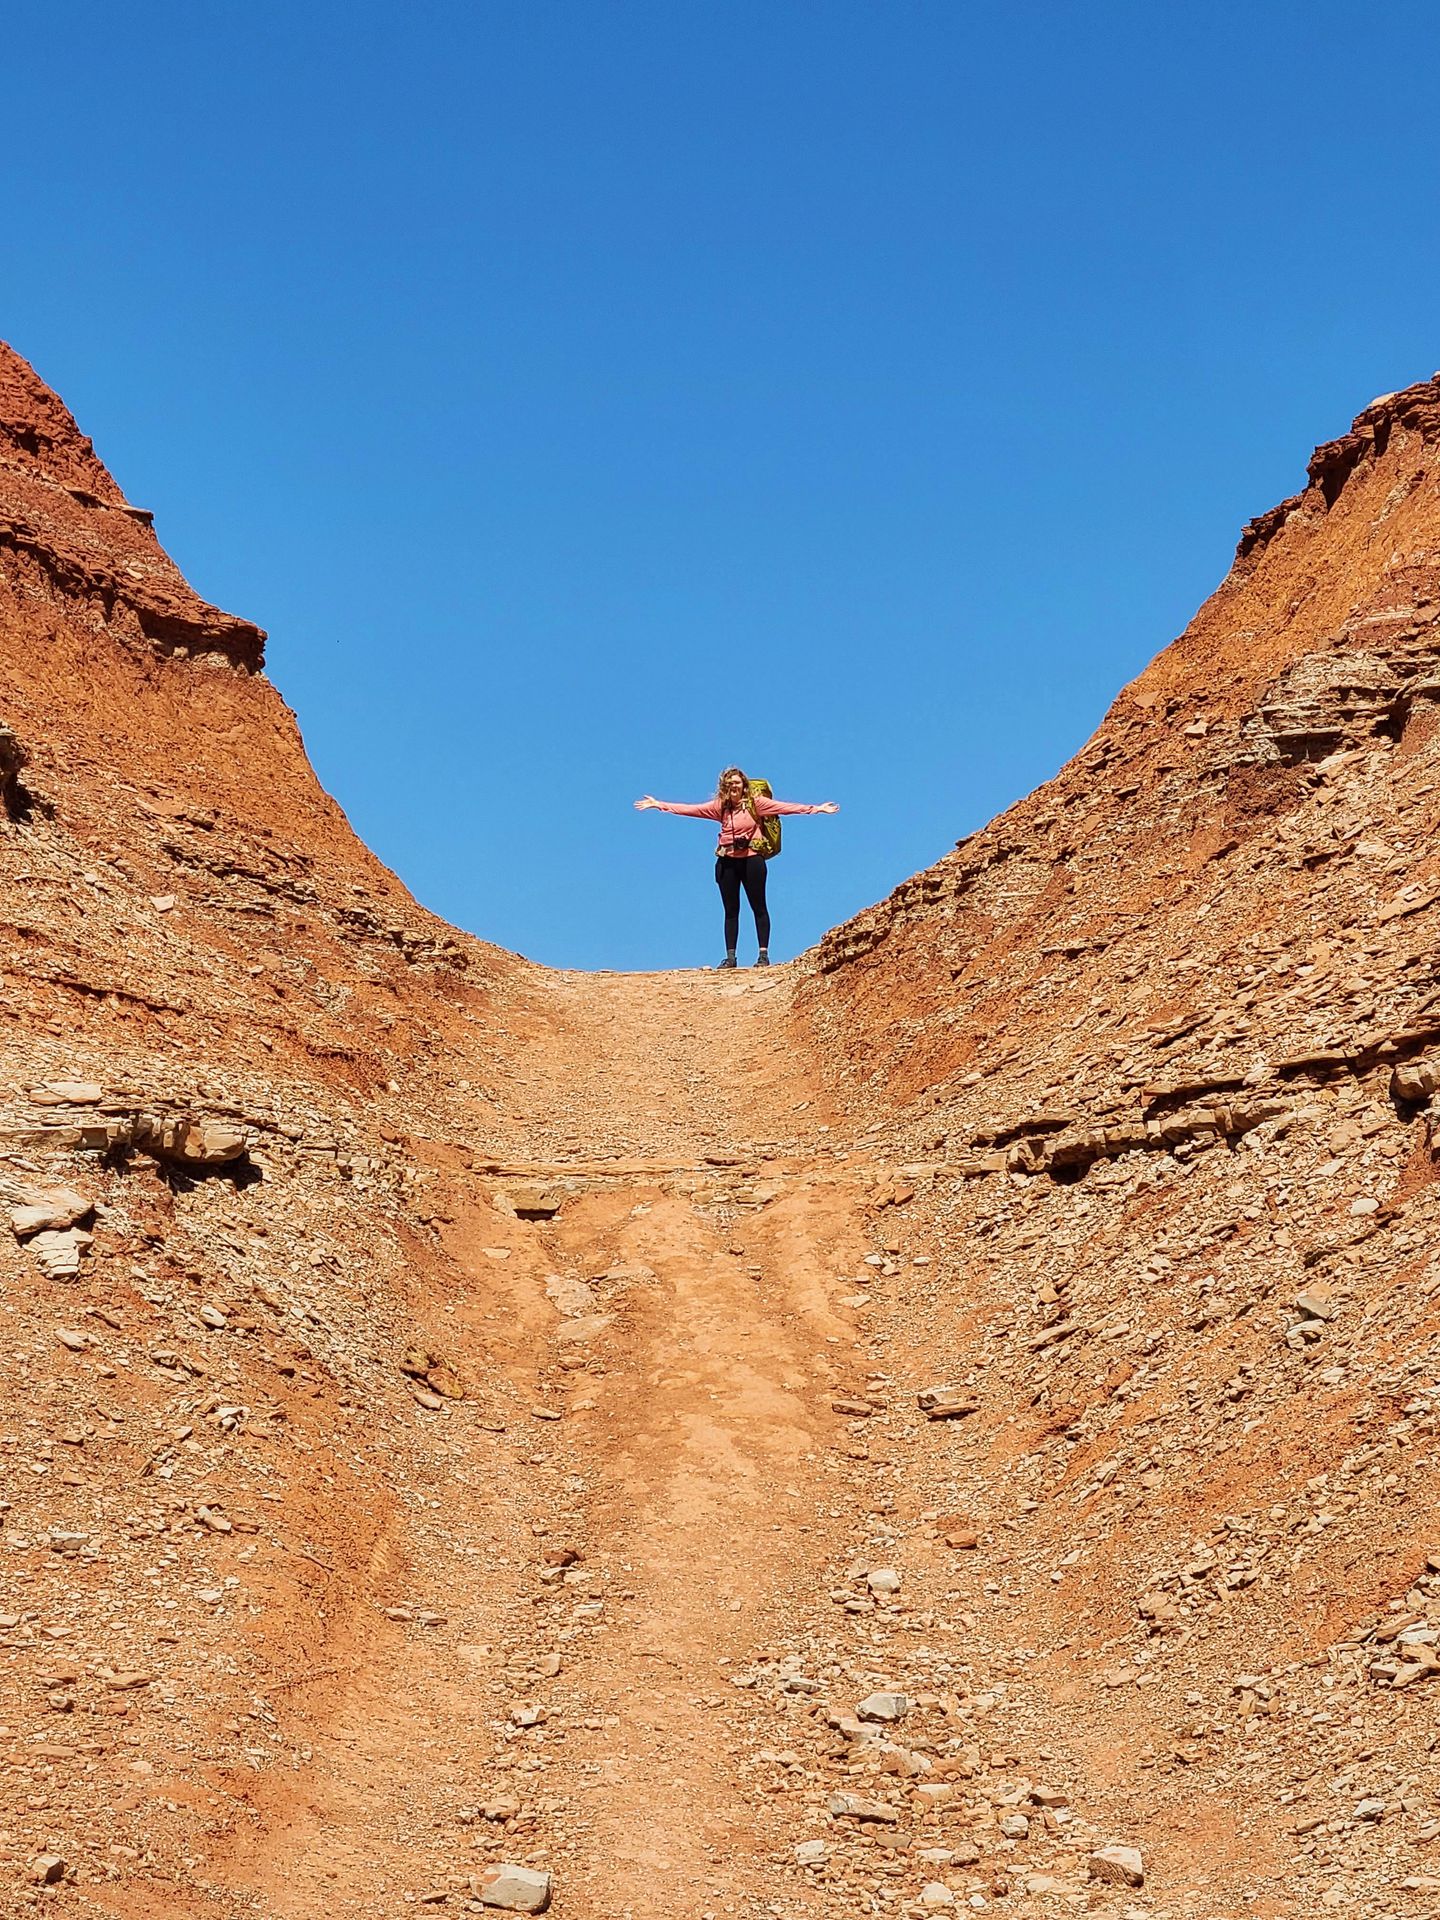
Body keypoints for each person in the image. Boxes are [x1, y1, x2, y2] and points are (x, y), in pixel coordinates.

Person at [635, 767, 839, 968]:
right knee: (731, 911)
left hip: (752, 861)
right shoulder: (720, 808)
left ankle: (763, 955)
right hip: (727, 861)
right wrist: (659, 804)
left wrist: (817, 808)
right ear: (724, 787)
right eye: (729, 783)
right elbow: (691, 809)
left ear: (744, 786)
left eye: (737, 783)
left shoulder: (756, 804)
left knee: (758, 906)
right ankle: (731, 957)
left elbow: (786, 807)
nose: (733, 786)